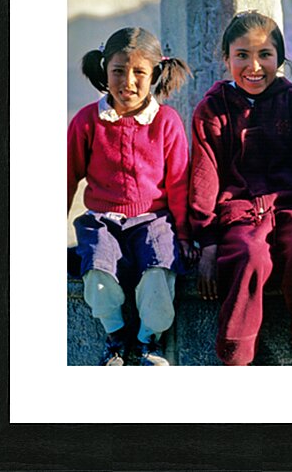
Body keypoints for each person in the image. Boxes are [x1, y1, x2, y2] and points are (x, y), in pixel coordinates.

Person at [188, 11, 292, 366]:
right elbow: (204, 178)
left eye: (264, 55)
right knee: (250, 256)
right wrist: (207, 242)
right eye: (242, 55)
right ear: (226, 58)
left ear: (280, 59)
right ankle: (237, 355)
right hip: (239, 212)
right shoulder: (212, 110)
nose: (253, 66)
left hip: (291, 208)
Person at [67, 27, 191, 366]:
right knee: (98, 275)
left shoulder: (166, 122)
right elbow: (65, 176)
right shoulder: (88, 121)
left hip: (154, 220)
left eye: (139, 72)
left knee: (158, 276)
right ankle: (116, 337)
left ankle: (149, 340)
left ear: (154, 74)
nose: (128, 82)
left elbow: (179, 182)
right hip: (102, 221)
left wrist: (184, 234)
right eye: (118, 71)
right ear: (105, 70)